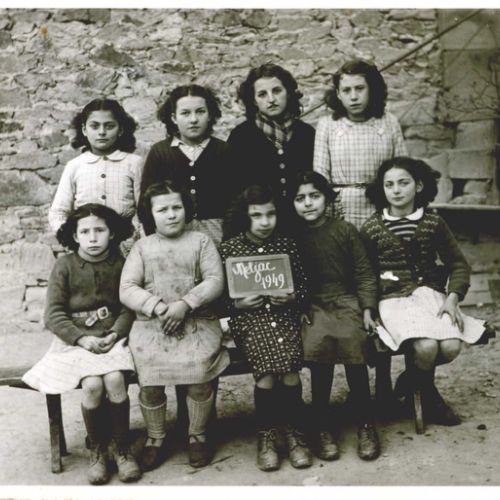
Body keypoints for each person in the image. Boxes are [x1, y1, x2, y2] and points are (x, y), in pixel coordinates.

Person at [361, 157, 486, 425]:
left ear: (418, 186)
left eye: (403, 183)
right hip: (392, 300)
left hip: (430, 296)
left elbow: (458, 264)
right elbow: (365, 274)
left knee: (451, 346)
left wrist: (452, 299)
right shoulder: (372, 227)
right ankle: (429, 397)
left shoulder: (433, 222)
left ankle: (411, 380)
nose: (396, 190)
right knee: (427, 347)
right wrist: (369, 308)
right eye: (389, 184)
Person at [23, 204, 141, 485]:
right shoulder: (64, 265)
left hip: (112, 338)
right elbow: (53, 314)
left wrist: (115, 333)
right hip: (74, 342)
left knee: (114, 379)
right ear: (75, 236)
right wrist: (81, 338)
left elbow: (128, 306)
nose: (93, 237)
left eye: (100, 230)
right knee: (92, 385)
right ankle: (97, 449)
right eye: (85, 232)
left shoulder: (120, 264)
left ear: (112, 233)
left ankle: (121, 449)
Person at [313, 59, 407, 413]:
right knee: (350, 291)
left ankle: (383, 380)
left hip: (380, 210)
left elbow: (403, 169)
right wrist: (328, 223)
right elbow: (320, 177)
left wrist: (395, 213)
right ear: (337, 94)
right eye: (346, 90)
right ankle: (356, 381)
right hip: (342, 210)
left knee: (381, 289)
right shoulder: (328, 125)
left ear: (373, 90)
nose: (353, 96)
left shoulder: (388, 123)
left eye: (360, 88)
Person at [120, 180, 229, 471]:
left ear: (186, 209)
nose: (171, 215)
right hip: (152, 326)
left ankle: (197, 434)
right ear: (150, 214)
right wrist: (158, 307)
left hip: (196, 323)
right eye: (163, 210)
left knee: (199, 375)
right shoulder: (142, 247)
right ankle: (155, 436)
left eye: (176, 207)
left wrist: (185, 304)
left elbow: (215, 280)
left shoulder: (201, 242)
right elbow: (127, 288)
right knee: (150, 382)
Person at [219, 185, 312, 472]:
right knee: (268, 373)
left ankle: (294, 432)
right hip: (249, 320)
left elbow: (304, 286)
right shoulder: (230, 249)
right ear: (244, 217)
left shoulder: (287, 246)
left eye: (270, 214)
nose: (264, 222)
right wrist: (238, 304)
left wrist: (293, 297)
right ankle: (267, 435)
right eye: (256, 215)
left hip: (284, 316)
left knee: (291, 370)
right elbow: (220, 297)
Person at [289, 171, 381, 462]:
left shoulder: (345, 230)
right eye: (300, 198)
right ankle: (321, 424)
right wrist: (297, 306)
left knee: (353, 339)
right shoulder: (292, 237)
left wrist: (368, 309)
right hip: (312, 304)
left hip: (346, 300)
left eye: (314, 196)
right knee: (319, 341)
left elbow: (364, 273)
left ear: (327, 198)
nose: (308, 203)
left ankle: (366, 422)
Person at [140, 84, 231, 245]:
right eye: (185, 113)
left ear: (210, 115)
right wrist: (155, 239)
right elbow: (146, 202)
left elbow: (236, 201)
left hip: (218, 233)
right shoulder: (160, 152)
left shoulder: (223, 150)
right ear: (174, 118)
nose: (193, 119)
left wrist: (230, 237)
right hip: (172, 234)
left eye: (200, 111)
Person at [226, 63, 315, 209]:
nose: (271, 99)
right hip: (260, 219)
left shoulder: (306, 134)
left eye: (277, 91)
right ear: (254, 100)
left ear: (288, 93)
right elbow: (233, 188)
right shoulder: (241, 137)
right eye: (262, 94)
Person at [48, 99, 142, 233]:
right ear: (84, 130)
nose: (102, 132)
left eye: (109, 126)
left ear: (120, 130)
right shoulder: (75, 166)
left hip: (127, 239)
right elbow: (58, 212)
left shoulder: (134, 163)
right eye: (94, 126)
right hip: (87, 240)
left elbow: (144, 209)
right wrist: (71, 238)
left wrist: (136, 237)